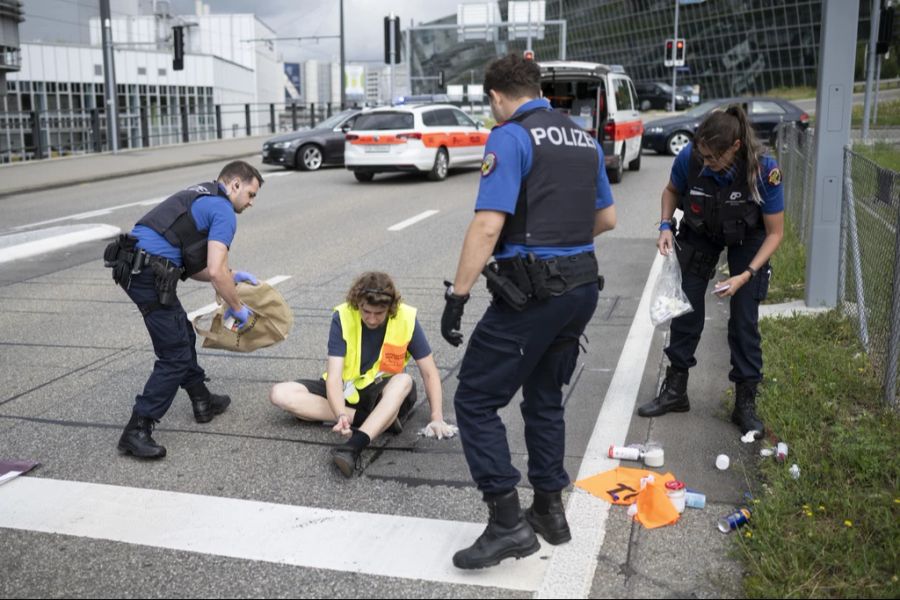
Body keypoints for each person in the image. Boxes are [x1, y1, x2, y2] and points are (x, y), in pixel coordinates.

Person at [441, 54, 616, 570]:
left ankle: (506, 523)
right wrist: (561, 244)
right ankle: (549, 511)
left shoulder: (511, 136)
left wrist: (458, 296)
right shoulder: (583, 137)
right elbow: (606, 217)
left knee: (474, 398)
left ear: (496, 97)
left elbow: (488, 226)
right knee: (543, 400)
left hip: (533, 296)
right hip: (581, 289)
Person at [637, 104, 784, 439]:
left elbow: (775, 233)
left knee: (744, 317)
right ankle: (675, 390)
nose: (705, 163)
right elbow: (672, 191)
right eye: (701, 155)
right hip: (701, 231)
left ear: (734, 148)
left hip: (749, 238)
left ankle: (745, 402)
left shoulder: (763, 169)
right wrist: (664, 225)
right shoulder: (689, 157)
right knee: (685, 306)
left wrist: (745, 274)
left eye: (712, 158)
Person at [105, 160, 264, 459]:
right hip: (150, 273)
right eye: (251, 194)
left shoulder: (201, 194)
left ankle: (202, 400)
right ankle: (137, 429)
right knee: (174, 355)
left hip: (137, 264)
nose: (251, 202)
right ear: (235, 185)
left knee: (181, 333)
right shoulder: (224, 211)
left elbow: (195, 267)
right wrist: (237, 306)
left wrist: (232, 276)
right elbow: (216, 271)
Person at [269, 271, 455, 478]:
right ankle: (379, 421)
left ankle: (353, 447)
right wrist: (340, 413)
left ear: (390, 308)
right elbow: (334, 376)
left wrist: (436, 417)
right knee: (280, 394)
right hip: (348, 390)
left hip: (383, 394)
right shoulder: (343, 316)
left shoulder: (406, 318)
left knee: (404, 380)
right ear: (357, 302)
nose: (372, 319)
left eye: (379, 313)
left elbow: (429, 373)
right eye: (366, 311)